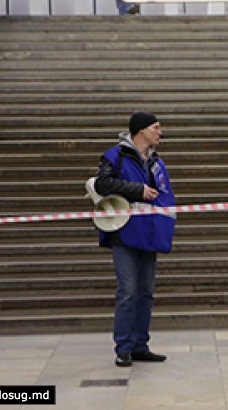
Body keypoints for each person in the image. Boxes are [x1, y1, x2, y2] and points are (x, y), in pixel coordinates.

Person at [95, 112, 176, 367]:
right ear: (141, 131)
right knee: (128, 291)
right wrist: (137, 190)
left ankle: (141, 344)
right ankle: (124, 347)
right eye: (156, 128)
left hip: (149, 232)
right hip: (125, 233)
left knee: (145, 292)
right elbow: (102, 184)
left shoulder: (156, 161)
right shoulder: (115, 156)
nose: (160, 133)